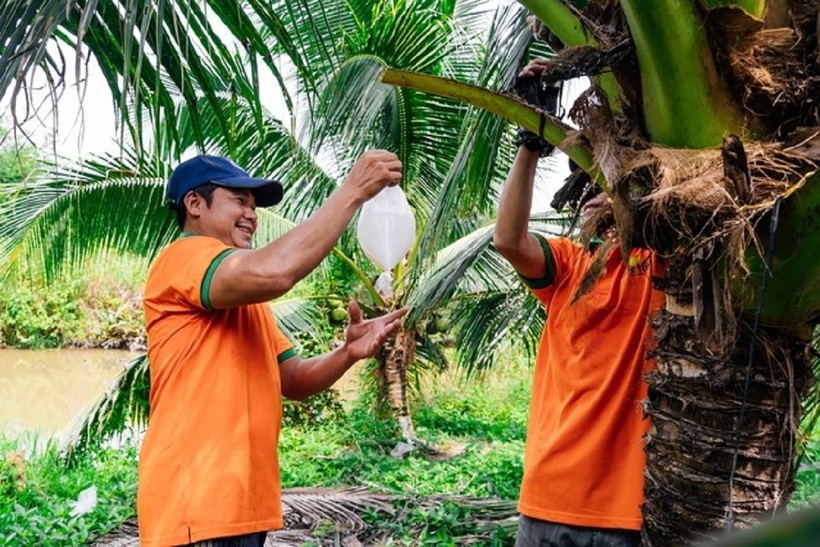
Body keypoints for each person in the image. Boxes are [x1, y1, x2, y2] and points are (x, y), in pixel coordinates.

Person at [138, 152, 408, 547]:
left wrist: (347, 353)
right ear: (195, 204)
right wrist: (352, 192)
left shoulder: (246, 300)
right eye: (239, 201)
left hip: (241, 512)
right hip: (196, 507)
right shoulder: (183, 257)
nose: (251, 214)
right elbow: (276, 271)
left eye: (254, 206)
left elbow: (294, 378)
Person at [493, 61, 665, 547]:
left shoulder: (658, 265)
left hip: (624, 515)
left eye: (604, 183)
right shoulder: (568, 268)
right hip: (547, 500)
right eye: (585, 183)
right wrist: (532, 141)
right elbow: (508, 239)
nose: (590, 196)